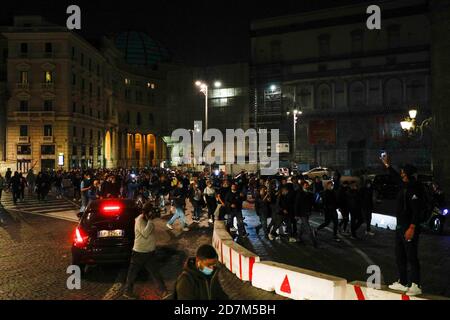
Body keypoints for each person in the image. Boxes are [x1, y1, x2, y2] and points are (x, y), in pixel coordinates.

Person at [382, 155, 424, 296]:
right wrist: (387, 165)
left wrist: (412, 227)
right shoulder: (404, 185)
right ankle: (403, 282)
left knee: (411, 256)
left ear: (408, 174)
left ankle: (416, 284)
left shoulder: (414, 189)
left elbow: (417, 211)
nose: (401, 174)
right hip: (400, 227)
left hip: (409, 228)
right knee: (400, 255)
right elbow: (395, 177)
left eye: (403, 172)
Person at [123, 202, 168, 300]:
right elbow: (145, 233)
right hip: (139, 252)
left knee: (155, 272)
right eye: (151, 212)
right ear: (147, 212)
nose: (152, 214)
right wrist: (150, 221)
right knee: (132, 274)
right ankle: (127, 291)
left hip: (149, 252)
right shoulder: (139, 220)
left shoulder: (146, 219)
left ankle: (163, 291)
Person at [295, 181, 317, 247]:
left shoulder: (309, 193)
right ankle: (313, 242)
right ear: (302, 186)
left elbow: (312, 203)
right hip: (302, 213)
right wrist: (296, 214)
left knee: (302, 225)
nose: (307, 186)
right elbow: (296, 204)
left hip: (307, 212)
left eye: (307, 185)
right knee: (307, 227)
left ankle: (298, 237)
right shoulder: (300, 193)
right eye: (305, 185)